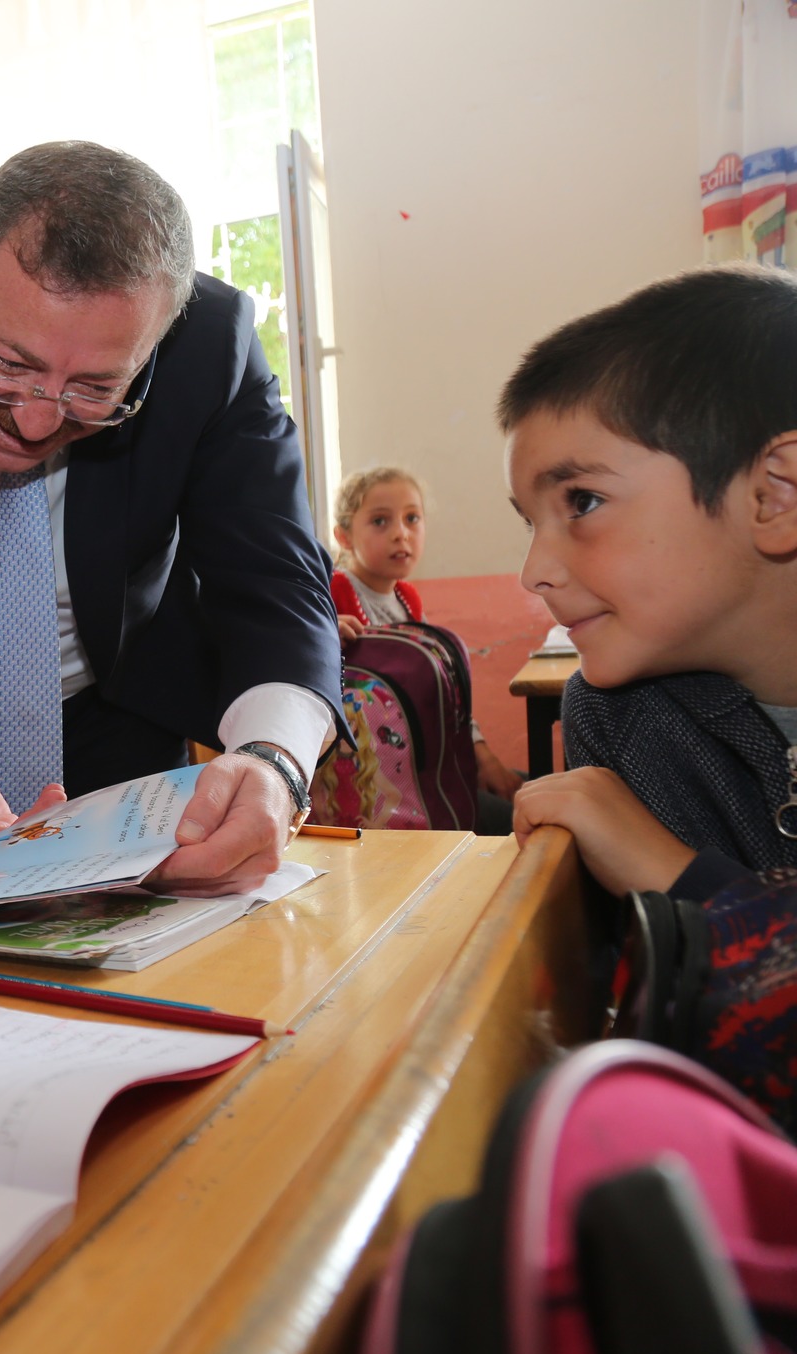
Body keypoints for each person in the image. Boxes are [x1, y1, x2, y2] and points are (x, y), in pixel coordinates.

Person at [0, 141, 342, 887]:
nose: (31, 422)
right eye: (6, 364)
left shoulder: (210, 349)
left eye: (95, 389)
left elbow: (277, 584)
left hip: (122, 719)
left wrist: (274, 761)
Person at [506, 264, 797, 898]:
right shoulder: (619, 714)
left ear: (776, 495)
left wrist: (677, 878)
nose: (534, 574)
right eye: (530, 523)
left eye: (581, 502)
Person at [326, 466, 525, 829]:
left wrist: (482, 756)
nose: (401, 534)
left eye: (412, 518)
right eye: (380, 521)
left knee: (526, 787)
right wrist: (322, 633)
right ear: (344, 536)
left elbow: (439, 697)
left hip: (421, 767)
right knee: (516, 822)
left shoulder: (407, 600)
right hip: (374, 784)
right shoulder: (335, 592)